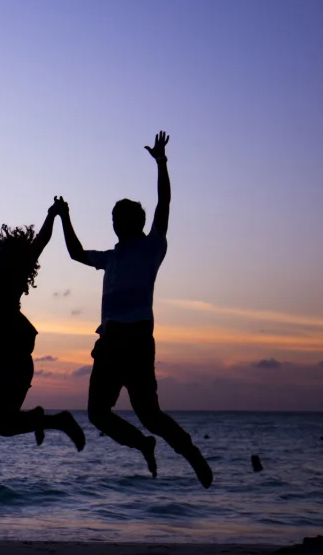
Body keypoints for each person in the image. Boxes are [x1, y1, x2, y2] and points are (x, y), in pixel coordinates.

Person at [58, 132, 213, 487]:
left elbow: (165, 204)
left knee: (151, 415)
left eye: (119, 218)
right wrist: (65, 217)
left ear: (134, 222)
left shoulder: (152, 247)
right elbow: (76, 253)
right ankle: (143, 445)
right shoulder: (110, 258)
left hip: (137, 341)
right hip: (110, 343)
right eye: (114, 218)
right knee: (98, 414)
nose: (115, 223)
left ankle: (191, 455)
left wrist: (161, 163)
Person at [0, 199, 85, 450]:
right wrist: (53, 215)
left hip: (8, 365)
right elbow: (41, 241)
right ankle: (53, 420)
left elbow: (40, 241)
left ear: (8, 259)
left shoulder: (2, 278)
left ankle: (50, 420)